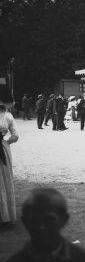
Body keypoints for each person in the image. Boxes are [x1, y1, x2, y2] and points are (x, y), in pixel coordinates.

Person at [6, 188, 85, 262]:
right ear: (25, 223)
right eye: (35, 221)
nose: (41, 227)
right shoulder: (18, 259)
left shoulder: (77, 256)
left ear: (64, 220)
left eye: (49, 220)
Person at [0, 86, 19, 226]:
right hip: (2, 148)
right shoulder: (8, 116)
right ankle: (5, 215)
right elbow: (15, 136)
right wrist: (6, 142)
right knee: (5, 180)